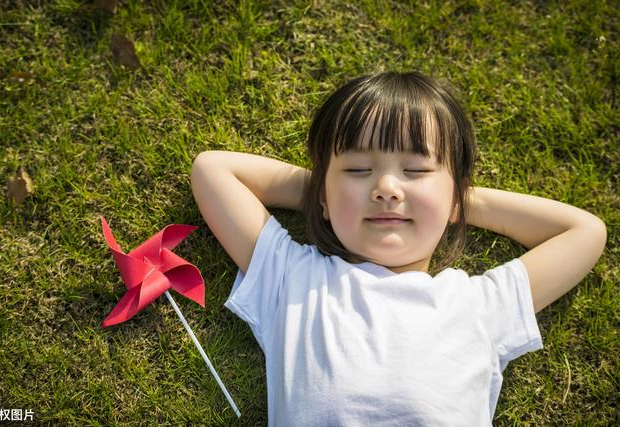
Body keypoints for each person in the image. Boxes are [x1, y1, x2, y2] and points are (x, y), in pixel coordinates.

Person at [190, 71, 606, 426]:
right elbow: (213, 170)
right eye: (357, 169)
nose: (386, 189)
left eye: (417, 171)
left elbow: (584, 231)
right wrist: (325, 193)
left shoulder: (479, 306)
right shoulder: (295, 282)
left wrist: (458, 200)